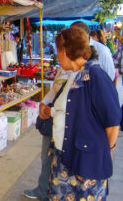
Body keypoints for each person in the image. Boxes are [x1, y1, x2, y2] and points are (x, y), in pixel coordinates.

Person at [44, 27, 121, 200]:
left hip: (86, 163)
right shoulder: (75, 74)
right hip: (66, 157)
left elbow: (112, 122)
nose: (57, 56)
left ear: (64, 51)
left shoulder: (95, 76)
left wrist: (105, 151)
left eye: (58, 51)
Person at [24, 66, 71, 201]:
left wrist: (51, 111)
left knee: (57, 160)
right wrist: (43, 103)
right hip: (52, 120)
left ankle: (49, 190)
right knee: (46, 157)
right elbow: (54, 90)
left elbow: (69, 105)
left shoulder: (77, 73)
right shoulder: (63, 69)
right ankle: (44, 189)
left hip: (62, 124)